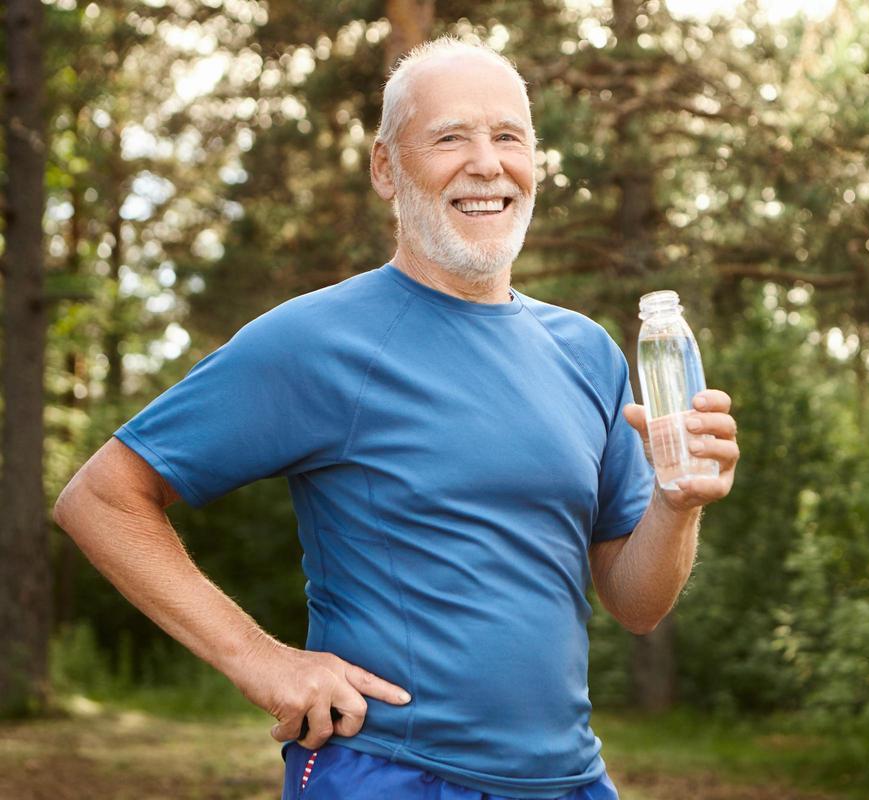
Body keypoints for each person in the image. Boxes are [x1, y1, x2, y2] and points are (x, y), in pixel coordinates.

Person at [54, 36, 740, 800]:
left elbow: (635, 602)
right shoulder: (317, 340)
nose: (487, 162)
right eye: (451, 137)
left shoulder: (588, 352)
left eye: (509, 136)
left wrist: (677, 506)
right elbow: (101, 498)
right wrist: (261, 660)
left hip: (569, 779)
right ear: (386, 167)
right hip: (392, 775)